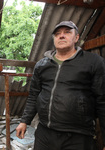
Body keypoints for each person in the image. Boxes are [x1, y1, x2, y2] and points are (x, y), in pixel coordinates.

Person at [16, 21, 105, 150]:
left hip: (78, 136)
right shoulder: (42, 65)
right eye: (57, 34)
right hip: (45, 133)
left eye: (67, 32)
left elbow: (102, 101)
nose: (61, 36)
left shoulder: (93, 62)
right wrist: (24, 121)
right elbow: (34, 95)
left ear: (76, 37)